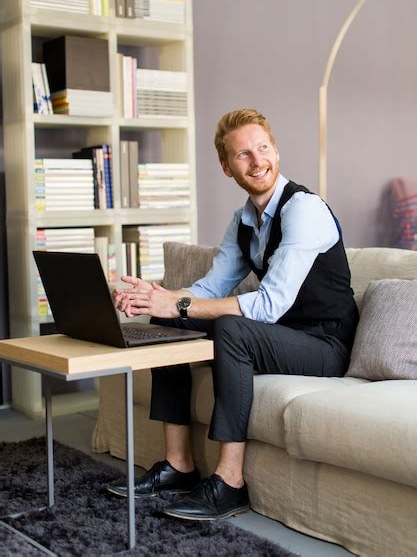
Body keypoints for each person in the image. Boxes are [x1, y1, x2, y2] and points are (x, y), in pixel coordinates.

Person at [106, 108, 359, 521]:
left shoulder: (304, 210)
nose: (257, 161)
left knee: (231, 329)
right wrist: (158, 298)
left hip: (327, 345)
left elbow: (268, 305)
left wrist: (180, 302)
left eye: (262, 148)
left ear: (276, 151)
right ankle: (178, 466)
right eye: (243, 154)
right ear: (226, 167)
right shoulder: (242, 222)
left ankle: (230, 483)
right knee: (168, 320)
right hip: (283, 334)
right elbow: (210, 288)